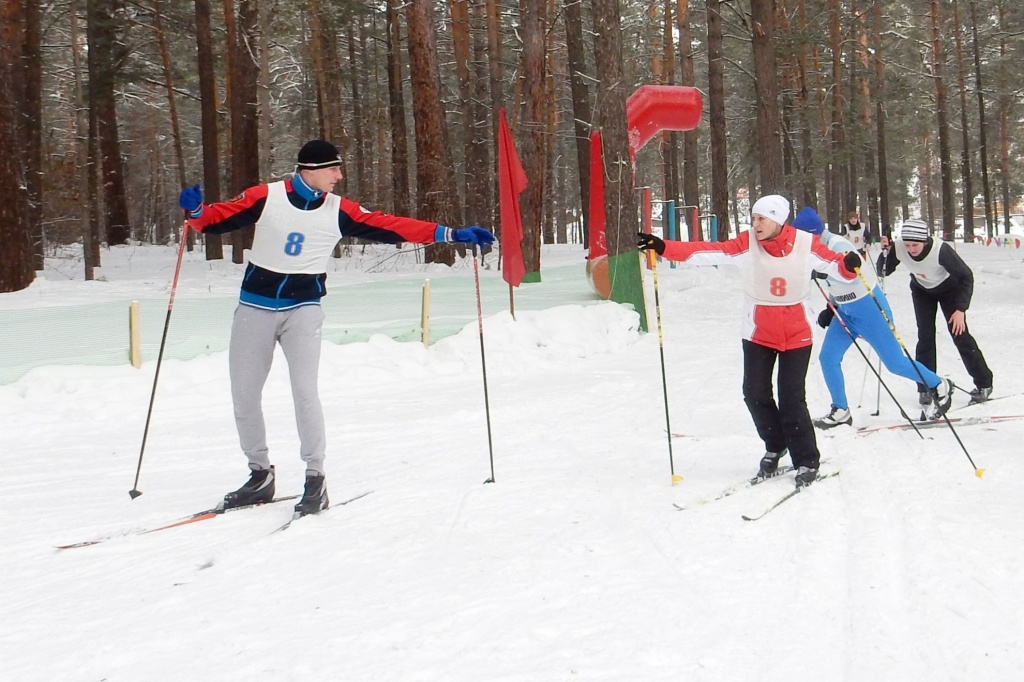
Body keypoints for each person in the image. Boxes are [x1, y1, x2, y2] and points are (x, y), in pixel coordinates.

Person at [178, 139, 495, 516]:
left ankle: (315, 478)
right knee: (244, 395)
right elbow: (214, 221)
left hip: (304, 309)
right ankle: (259, 475)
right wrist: (196, 209)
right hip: (255, 308)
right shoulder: (267, 196)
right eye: (333, 169)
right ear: (310, 170)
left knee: (305, 393)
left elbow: (390, 226)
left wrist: (451, 234)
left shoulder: (338, 210)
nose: (339, 176)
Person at [637, 195, 862, 488]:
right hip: (758, 330)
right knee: (754, 392)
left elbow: (837, 266)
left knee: (792, 398)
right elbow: (708, 251)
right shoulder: (747, 244)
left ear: (778, 220)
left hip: (797, 332)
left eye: (762, 219)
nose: (755, 224)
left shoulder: (806, 244)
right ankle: (776, 443)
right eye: (753, 218)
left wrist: (850, 264)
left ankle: (806, 459)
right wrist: (665, 247)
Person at [790, 207, 952, 427]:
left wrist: (822, 272)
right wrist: (831, 307)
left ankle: (940, 385)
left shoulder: (839, 245)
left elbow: (851, 275)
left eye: (802, 236)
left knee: (895, 364)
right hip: (845, 312)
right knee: (828, 357)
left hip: (869, 308)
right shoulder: (812, 249)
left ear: (813, 233)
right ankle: (841, 410)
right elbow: (833, 284)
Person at [877, 218, 994, 406]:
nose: (911, 249)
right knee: (925, 337)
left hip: (950, 291)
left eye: (915, 245)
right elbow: (883, 271)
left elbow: (966, 276)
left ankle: (984, 384)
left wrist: (960, 309)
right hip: (922, 291)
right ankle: (927, 386)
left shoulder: (940, 250)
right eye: (907, 244)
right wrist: (886, 253)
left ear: (924, 240)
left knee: (960, 335)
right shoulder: (899, 247)